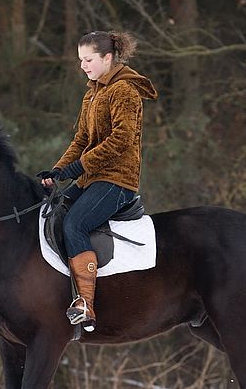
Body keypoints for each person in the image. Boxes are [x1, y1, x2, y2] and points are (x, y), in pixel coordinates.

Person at [38, 30, 158, 332]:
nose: (83, 66)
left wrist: (76, 168)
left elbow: (120, 140)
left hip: (117, 180)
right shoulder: (92, 93)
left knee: (75, 224)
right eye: (80, 60)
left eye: (88, 59)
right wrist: (58, 170)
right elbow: (81, 139)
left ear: (107, 58)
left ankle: (86, 305)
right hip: (92, 178)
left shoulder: (125, 92)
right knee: (55, 214)